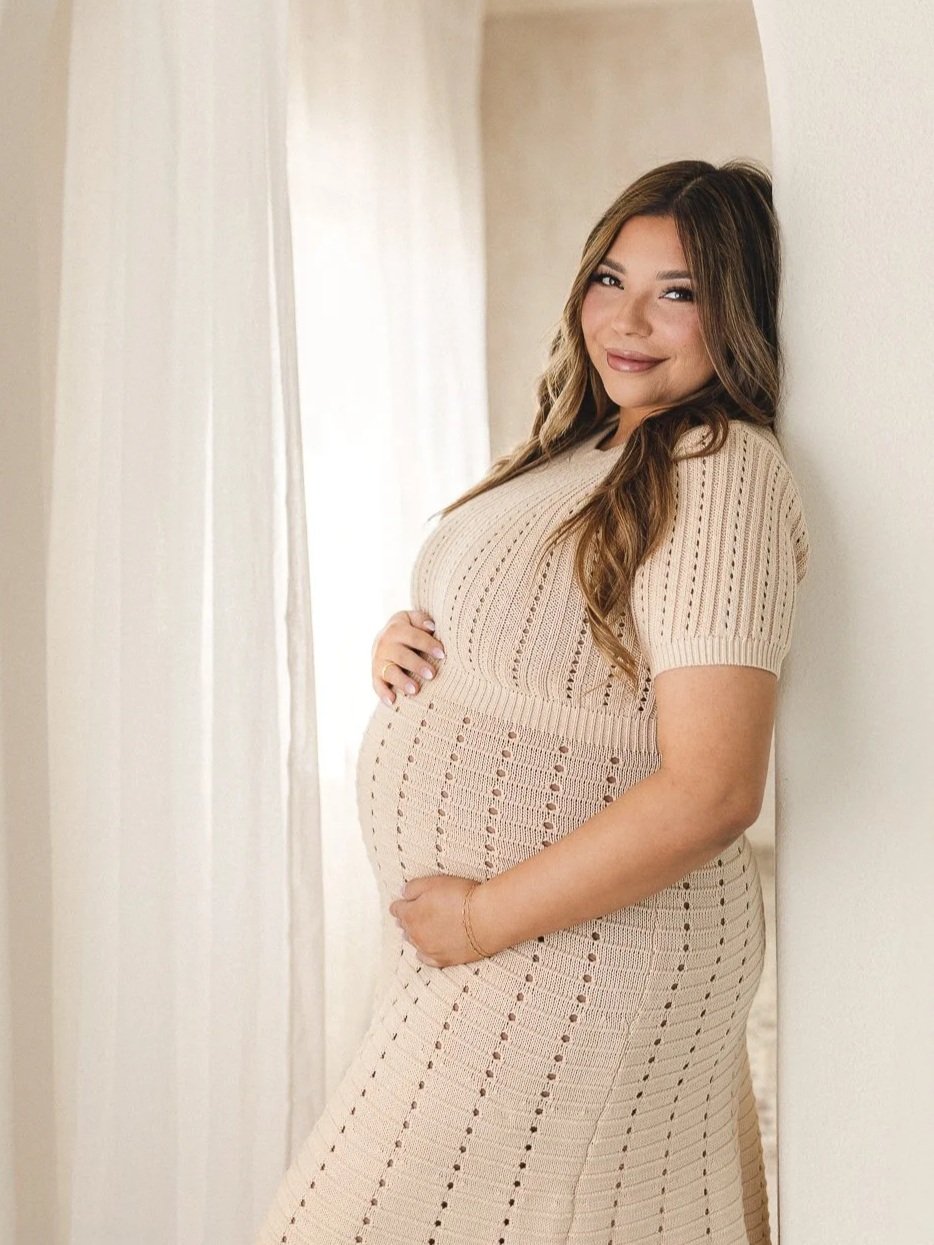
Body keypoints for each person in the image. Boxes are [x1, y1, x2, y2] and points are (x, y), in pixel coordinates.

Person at [255, 157, 809, 1245]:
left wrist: (479, 919)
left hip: (576, 954)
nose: (628, 320)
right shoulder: (587, 445)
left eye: (679, 291)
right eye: (610, 279)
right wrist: (419, 648)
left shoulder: (719, 468)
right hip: (514, 951)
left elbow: (714, 788)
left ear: (738, 311)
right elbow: (560, 645)